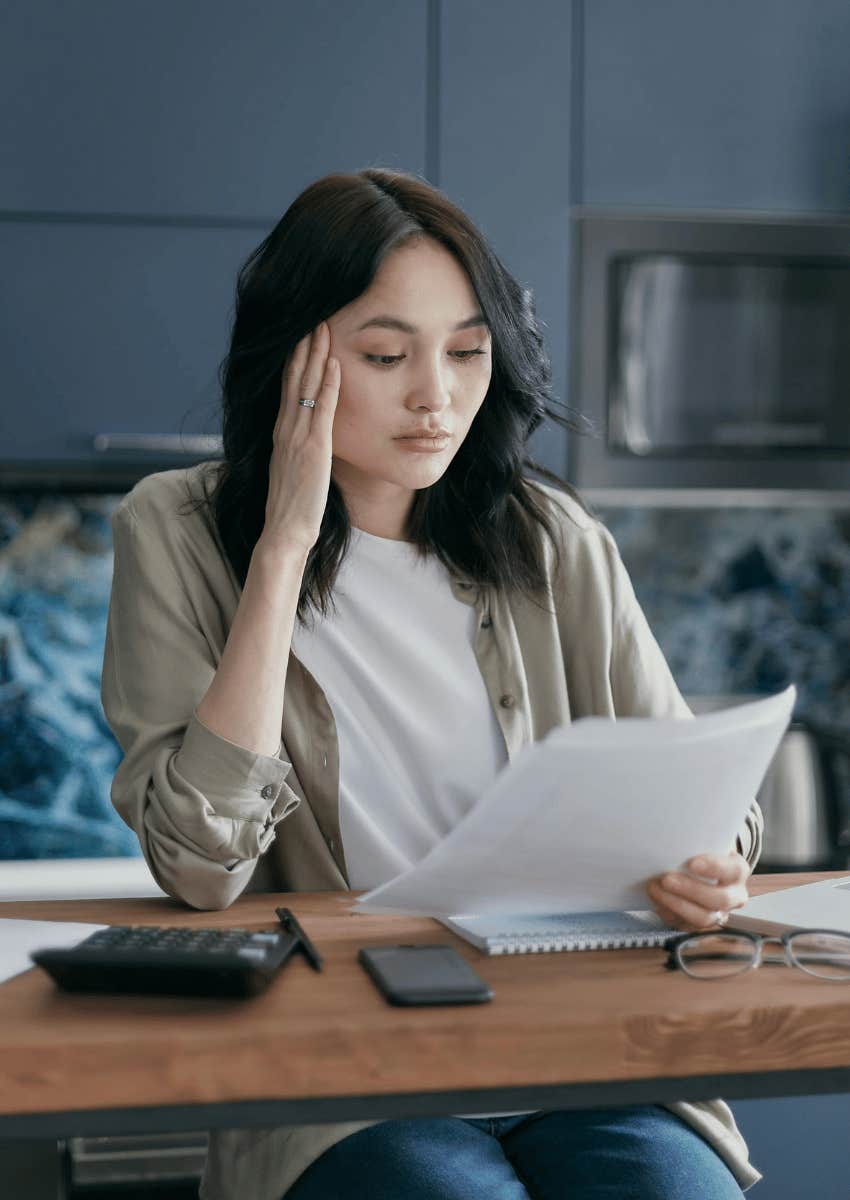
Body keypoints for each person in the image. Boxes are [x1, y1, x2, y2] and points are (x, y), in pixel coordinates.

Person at [101, 167, 764, 1200]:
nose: (435, 396)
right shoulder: (175, 529)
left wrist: (708, 860)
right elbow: (199, 869)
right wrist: (281, 546)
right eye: (383, 355)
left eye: (465, 351)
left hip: (576, 1047)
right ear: (295, 358)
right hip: (344, 1074)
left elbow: (701, 795)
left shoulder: (552, 540)